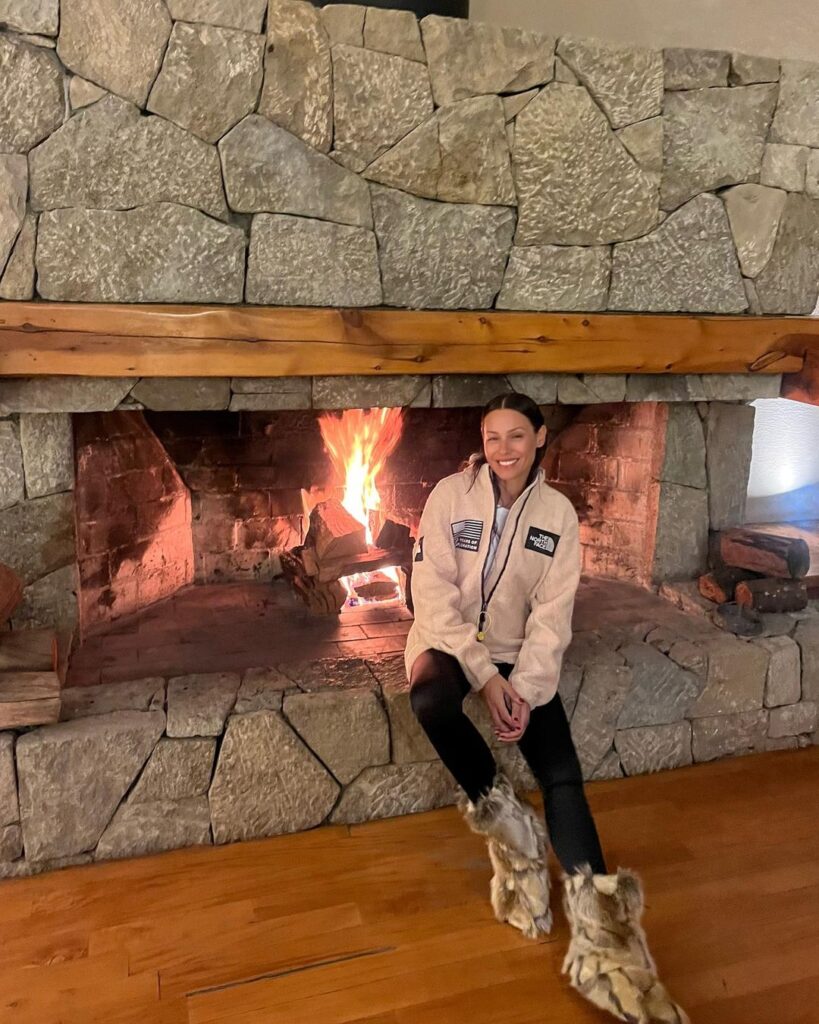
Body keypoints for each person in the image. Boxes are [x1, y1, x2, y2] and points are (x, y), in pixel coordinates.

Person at [404, 392, 688, 1024]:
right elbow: (431, 596)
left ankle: (607, 948)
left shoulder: (557, 515)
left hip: (517, 654)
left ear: (539, 438)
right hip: (446, 644)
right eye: (492, 437)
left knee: (561, 775)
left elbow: (552, 617)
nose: (502, 449)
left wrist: (526, 691)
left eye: (516, 436)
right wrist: (483, 677)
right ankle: (510, 826)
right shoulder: (449, 496)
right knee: (430, 701)